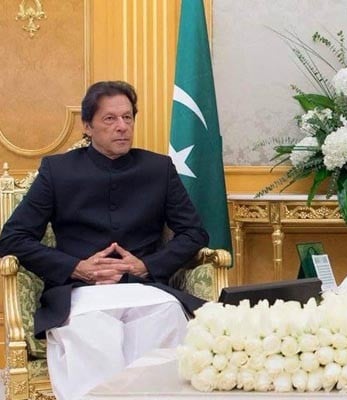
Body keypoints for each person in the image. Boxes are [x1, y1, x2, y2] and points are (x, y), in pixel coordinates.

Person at [0, 81, 210, 400]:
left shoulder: (158, 169)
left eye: (127, 117)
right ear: (88, 126)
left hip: (144, 288)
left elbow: (194, 233)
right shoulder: (57, 171)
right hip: (81, 293)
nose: (122, 127)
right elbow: (12, 238)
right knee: (93, 333)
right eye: (110, 119)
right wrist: (77, 267)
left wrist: (145, 265)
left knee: (167, 317)